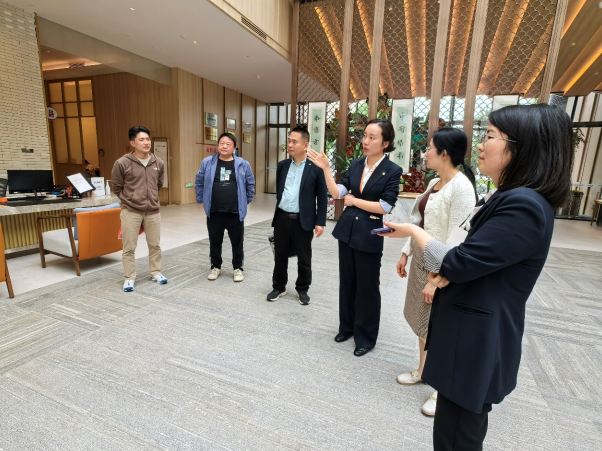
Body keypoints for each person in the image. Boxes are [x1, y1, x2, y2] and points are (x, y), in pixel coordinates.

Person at [381, 104, 573, 450]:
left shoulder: (524, 205)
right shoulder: (505, 195)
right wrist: (444, 265)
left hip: (474, 345)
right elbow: (470, 254)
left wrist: (414, 232)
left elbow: (459, 261)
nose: (480, 145)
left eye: (490, 136)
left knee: (456, 439)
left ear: (522, 147)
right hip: (465, 336)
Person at [396, 128, 477, 416]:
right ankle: (423, 370)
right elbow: (419, 223)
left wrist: (438, 280)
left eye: (429, 148)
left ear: (444, 153)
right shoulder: (434, 182)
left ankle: (441, 390)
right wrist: (406, 252)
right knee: (423, 324)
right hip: (421, 260)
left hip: (440, 268)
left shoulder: (461, 188)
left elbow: (458, 241)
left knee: (439, 329)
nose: (425, 153)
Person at [308, 118, 403, 357]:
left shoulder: (393, 170)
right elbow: (337, 192)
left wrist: (354, 201)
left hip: (370, 235)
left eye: (372, 137)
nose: (365, 141)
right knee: (348, 282)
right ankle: (347, 327)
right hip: (348, 231)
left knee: (368, 287)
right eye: (365, 136)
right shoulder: (357, 164)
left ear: (385, 143)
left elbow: (385, 206)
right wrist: (326, 169)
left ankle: (366, 337)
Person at [267, 126, 327, 305]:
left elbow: (322, 197)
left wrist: (320, 222)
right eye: (289, 141)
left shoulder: (316, 168)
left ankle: (302, 289)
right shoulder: (282, 165)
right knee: (280, 255)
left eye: (294, 142)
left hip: (303, 220)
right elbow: (280, 191)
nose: (290, 145)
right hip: (282, 218)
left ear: (305, 145)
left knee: (304, 257)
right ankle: (279, 287)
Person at [112, 126, 168, 292]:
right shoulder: (122, 163)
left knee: (155, 245)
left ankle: (156, 272)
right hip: (131, 211)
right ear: (132, 143)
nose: (146, 142)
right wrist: (130, 200)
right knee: (129, 247)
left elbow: (158, 184)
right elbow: (117, 186)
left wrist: (150, 198)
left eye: (148, 139)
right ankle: (129, 277)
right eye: (141, 140)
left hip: (153, 211)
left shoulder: (158, 162)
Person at [195, 132, 255, 282]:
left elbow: (250, 184)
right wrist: (201, 200)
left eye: (228, 144)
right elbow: (199, 181)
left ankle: (237, 268)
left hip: (235, 212)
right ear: (218, 145)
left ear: (234, 148)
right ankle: (215, 267)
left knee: (237, 242)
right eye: (222, 143)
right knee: (215, 241)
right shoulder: (207, 162)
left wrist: (245, 201)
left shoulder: (243, 164)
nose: (224, 146)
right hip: (214, 211)